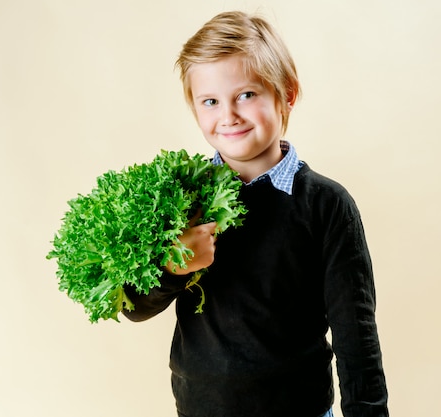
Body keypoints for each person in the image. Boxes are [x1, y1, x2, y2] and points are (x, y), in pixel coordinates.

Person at [123, 10, 389, 417]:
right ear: (195, 109)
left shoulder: (327, 205)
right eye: (210, 101)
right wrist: (174, 266)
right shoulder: (179, 200)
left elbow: (357, 341)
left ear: (287, 94)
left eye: (246, 95)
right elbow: (134, 306)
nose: (228, 115)